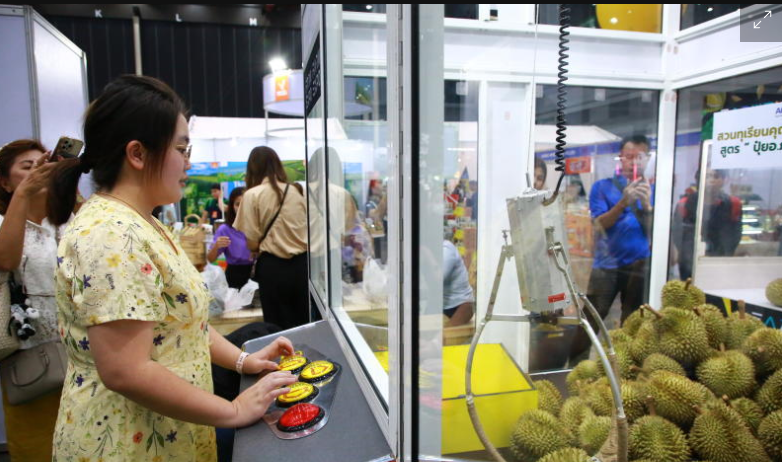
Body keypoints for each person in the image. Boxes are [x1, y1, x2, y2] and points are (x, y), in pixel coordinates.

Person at [46, 75, 297, 461]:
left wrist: (244, 360)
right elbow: (125, 370)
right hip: (125, 443)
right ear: (137, 154)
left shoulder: (143, 222)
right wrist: (233, 410)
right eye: (181, 148)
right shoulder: (110, 234)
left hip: (164, 432)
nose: (188, 161)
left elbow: (182, 323)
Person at [0, 139, 64, 461]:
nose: (39, 171)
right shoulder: (3, 224)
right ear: (4, 182)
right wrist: (25, 193)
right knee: (36, 447)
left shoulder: (64, 223)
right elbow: (6, 260)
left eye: (45, 165)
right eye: (27, 167)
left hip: (77, 351)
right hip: (28, 356)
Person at [570, 135, 653, 363]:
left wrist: (647, 206)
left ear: (647, 159)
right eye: (628, 157)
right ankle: (575, 366)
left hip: (639, 266)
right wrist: (623, 202)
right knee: (591, 319)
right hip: (606, 267)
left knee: (633, 322)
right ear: (620, 158)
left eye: (639, 157)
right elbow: (598, 225)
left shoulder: (653, 189)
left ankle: (627, 369)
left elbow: (656, 232)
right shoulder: (602, 187)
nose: (633, 162)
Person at [234, 146, 309, 329]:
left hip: (273, 269)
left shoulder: (252, 195)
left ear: (252, 168)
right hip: (302, 266)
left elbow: (252, 244)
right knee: (303, 323)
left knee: (276, 327)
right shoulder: (296, 192)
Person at [672, 169, 742, 279]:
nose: (711, 180)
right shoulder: (684, 204)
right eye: (706, 176)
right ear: (698, 180)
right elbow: (678, 235)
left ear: (724, 180)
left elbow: (735, 234)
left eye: (716, 176)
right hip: (690, 263)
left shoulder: (733, 204)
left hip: (719, 262)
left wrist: (724, 255)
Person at [207, 187, 254, 289]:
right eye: (237, 204)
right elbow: (210, 259)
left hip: (257, 275)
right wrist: (216, 246)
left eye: (245, 204)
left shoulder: (258, 226)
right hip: (235, 278)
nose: (241, 208)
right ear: (232, 206)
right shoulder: (225, 229)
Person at [442, 240, 474, 328]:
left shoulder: (446, 250)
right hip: (442, 304)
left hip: (461, 305)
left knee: (444, 335)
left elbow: (437, 280)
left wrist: (427, 255)